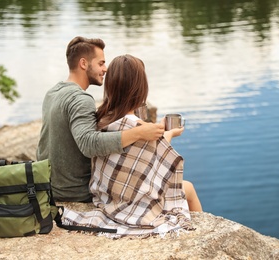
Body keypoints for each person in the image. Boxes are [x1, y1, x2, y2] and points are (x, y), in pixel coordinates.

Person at [36, 36, 165, 202]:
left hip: (48, 186)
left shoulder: (53, 93)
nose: (105, 69)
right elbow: (89, 144)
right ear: (84, 64)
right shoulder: (81, 99)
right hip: (74, 193)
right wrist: (139, 132)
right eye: (101, 63)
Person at [92, 54, 202, 213]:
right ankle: (198, 231)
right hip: (135, 202)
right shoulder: (141, 129)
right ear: (140, 88)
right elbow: (157, 159)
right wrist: (169, 133)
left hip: (106, 197)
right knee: (189, 188)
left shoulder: (102, 118)